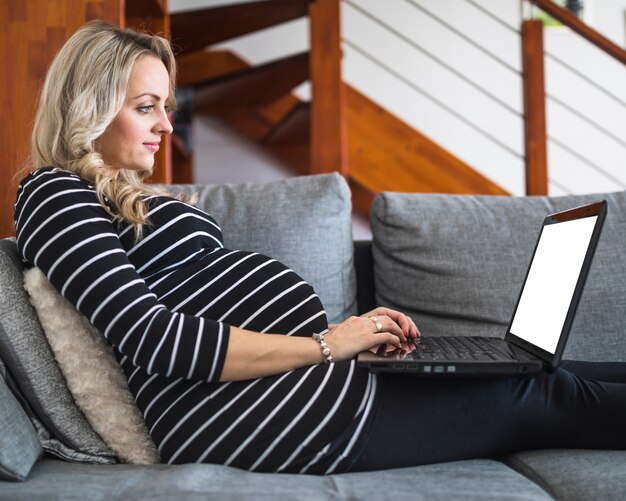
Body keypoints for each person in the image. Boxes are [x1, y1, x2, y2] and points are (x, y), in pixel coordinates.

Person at [13, 21, 626, 474]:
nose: (167, 125)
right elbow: (154, 337)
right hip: (249, 421)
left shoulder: (117, 197)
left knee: (556, 370)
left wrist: (346, 344)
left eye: (166, 107)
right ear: (86, 108)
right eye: (146, 107)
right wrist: (330, 345)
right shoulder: (53, 192)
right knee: (543, 394)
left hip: (293, 392)